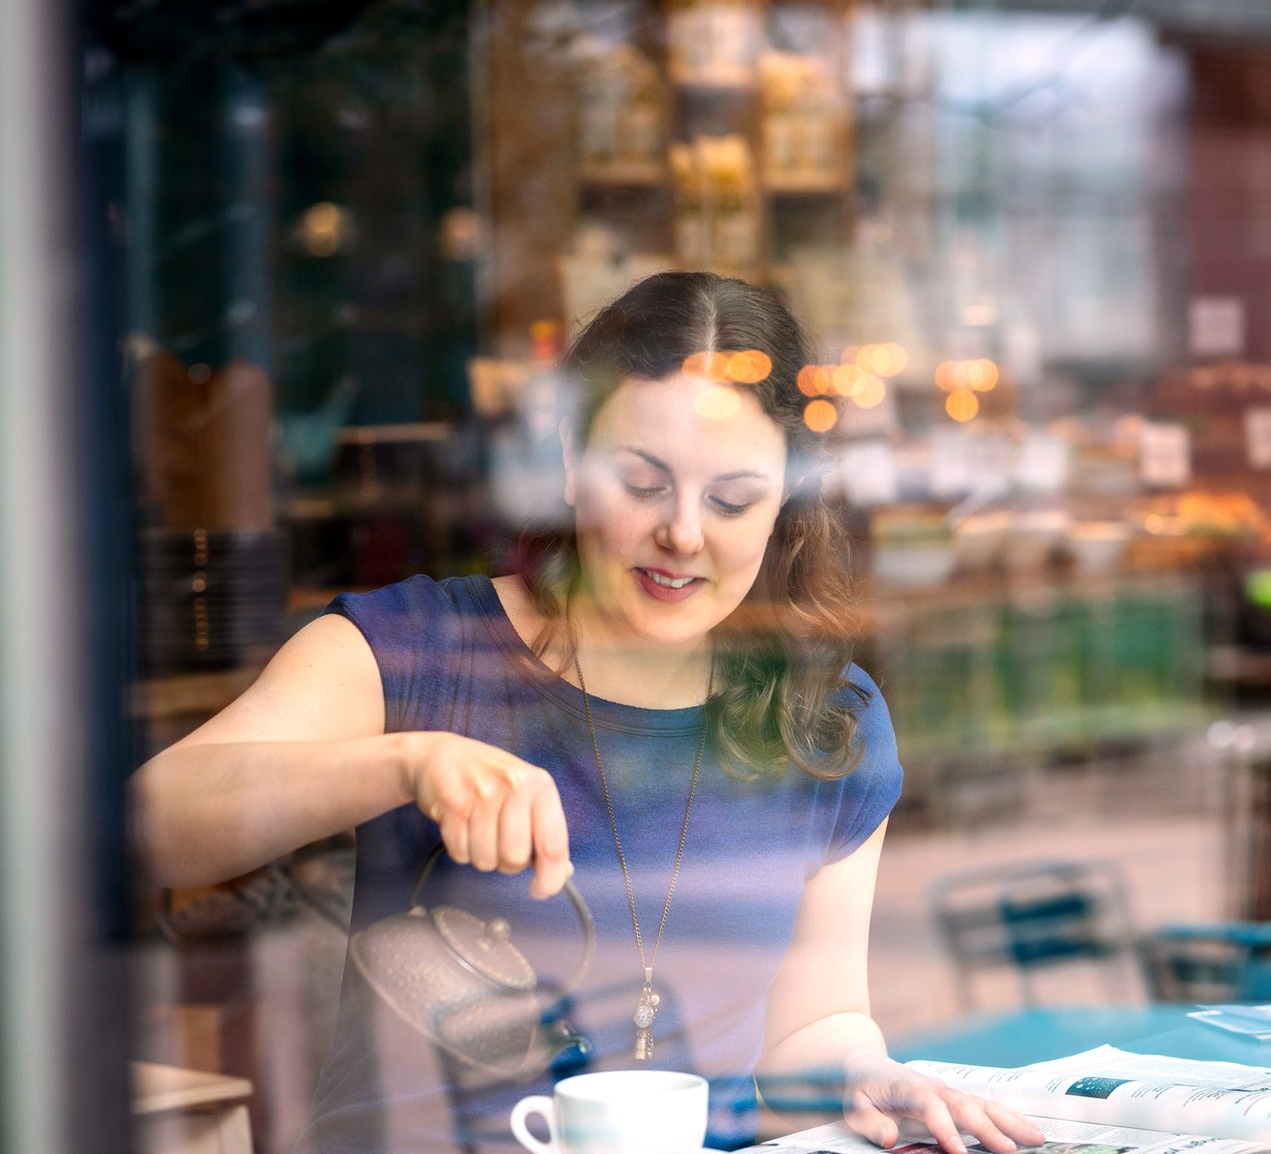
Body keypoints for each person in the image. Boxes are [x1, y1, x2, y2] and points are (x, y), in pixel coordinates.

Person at [132, 271, 1044, 1154]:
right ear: (566, 465)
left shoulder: (826, 720)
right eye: (642, 483)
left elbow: (815, 1018)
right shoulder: (414, 648)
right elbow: (148, 826)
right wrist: (404, 764)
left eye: (732, 498)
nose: (682, 532)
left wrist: (863, 1070)